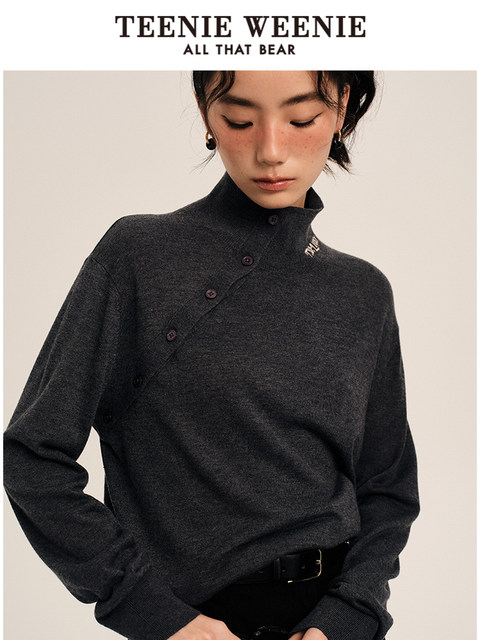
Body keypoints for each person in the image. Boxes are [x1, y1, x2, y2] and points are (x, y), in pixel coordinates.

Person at [3, 70, 420, 640]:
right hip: (197, 623)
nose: (270, 151)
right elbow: (33, 457)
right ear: (205, 111)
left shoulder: (363, 292)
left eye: (301, 119)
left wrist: (350, 616)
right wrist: (155, 613)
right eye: (240, 120)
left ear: (341, 109)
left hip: (331, 621)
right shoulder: (139, 257)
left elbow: (388, 489)